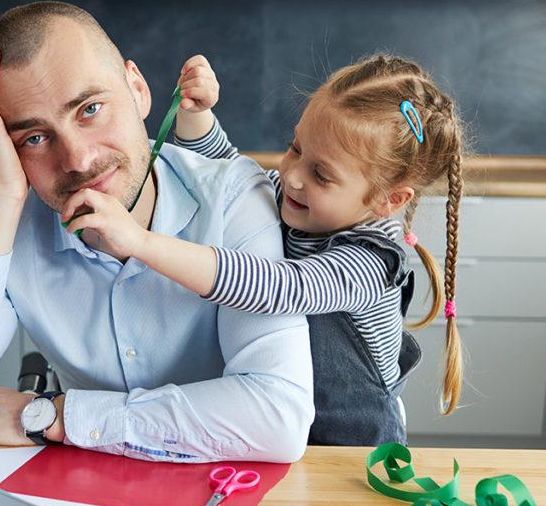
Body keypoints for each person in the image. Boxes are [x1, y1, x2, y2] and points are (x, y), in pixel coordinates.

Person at [0, 1, 314, 463]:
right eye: (34, 138)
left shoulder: (234, 200)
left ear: (138, 90)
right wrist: (1, 199)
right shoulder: (9, 225)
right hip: (84, 503)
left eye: (90, 109)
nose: (79, 161)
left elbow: (278, 418)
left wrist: (54, 417)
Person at [63, 54, 465, 445]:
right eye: (295, 148)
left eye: (321, 174)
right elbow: (233, 178)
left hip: (354, 448)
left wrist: (142, 243)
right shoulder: (299, 198)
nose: (292, 176)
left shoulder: (371, 261)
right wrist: (197, 115)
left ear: (388, 201)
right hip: (280, 435)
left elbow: (281, 287)